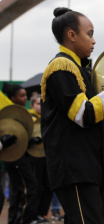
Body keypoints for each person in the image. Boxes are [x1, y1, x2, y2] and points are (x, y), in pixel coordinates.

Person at [40, 7, 104, 223]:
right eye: (89, 34)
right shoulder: (61, 67)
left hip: (87, 167)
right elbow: (84, 114)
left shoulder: (82, 70)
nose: (94, 41)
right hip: (74, 168)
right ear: (71, 35)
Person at [2, 82, 40, 224]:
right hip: (14, 159)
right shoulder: (8, 115)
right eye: (21, 96)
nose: (25, 98)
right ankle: (23, 220)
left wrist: (30, 141)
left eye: (25, 95)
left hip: (22, 157)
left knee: (18, 192)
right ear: (12, 98)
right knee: (30, 188)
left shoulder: (20, 114)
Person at [28, 94, 52, 223]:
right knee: (35, 187)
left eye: (42, 103)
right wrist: (30, 141)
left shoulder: (48, 117)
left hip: (47, 156)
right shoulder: (28, 118)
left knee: (48, 186)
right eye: (38, 104)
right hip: (33, 157)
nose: (41, 106)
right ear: (32, 105)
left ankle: (41, 214)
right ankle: (32, 215)